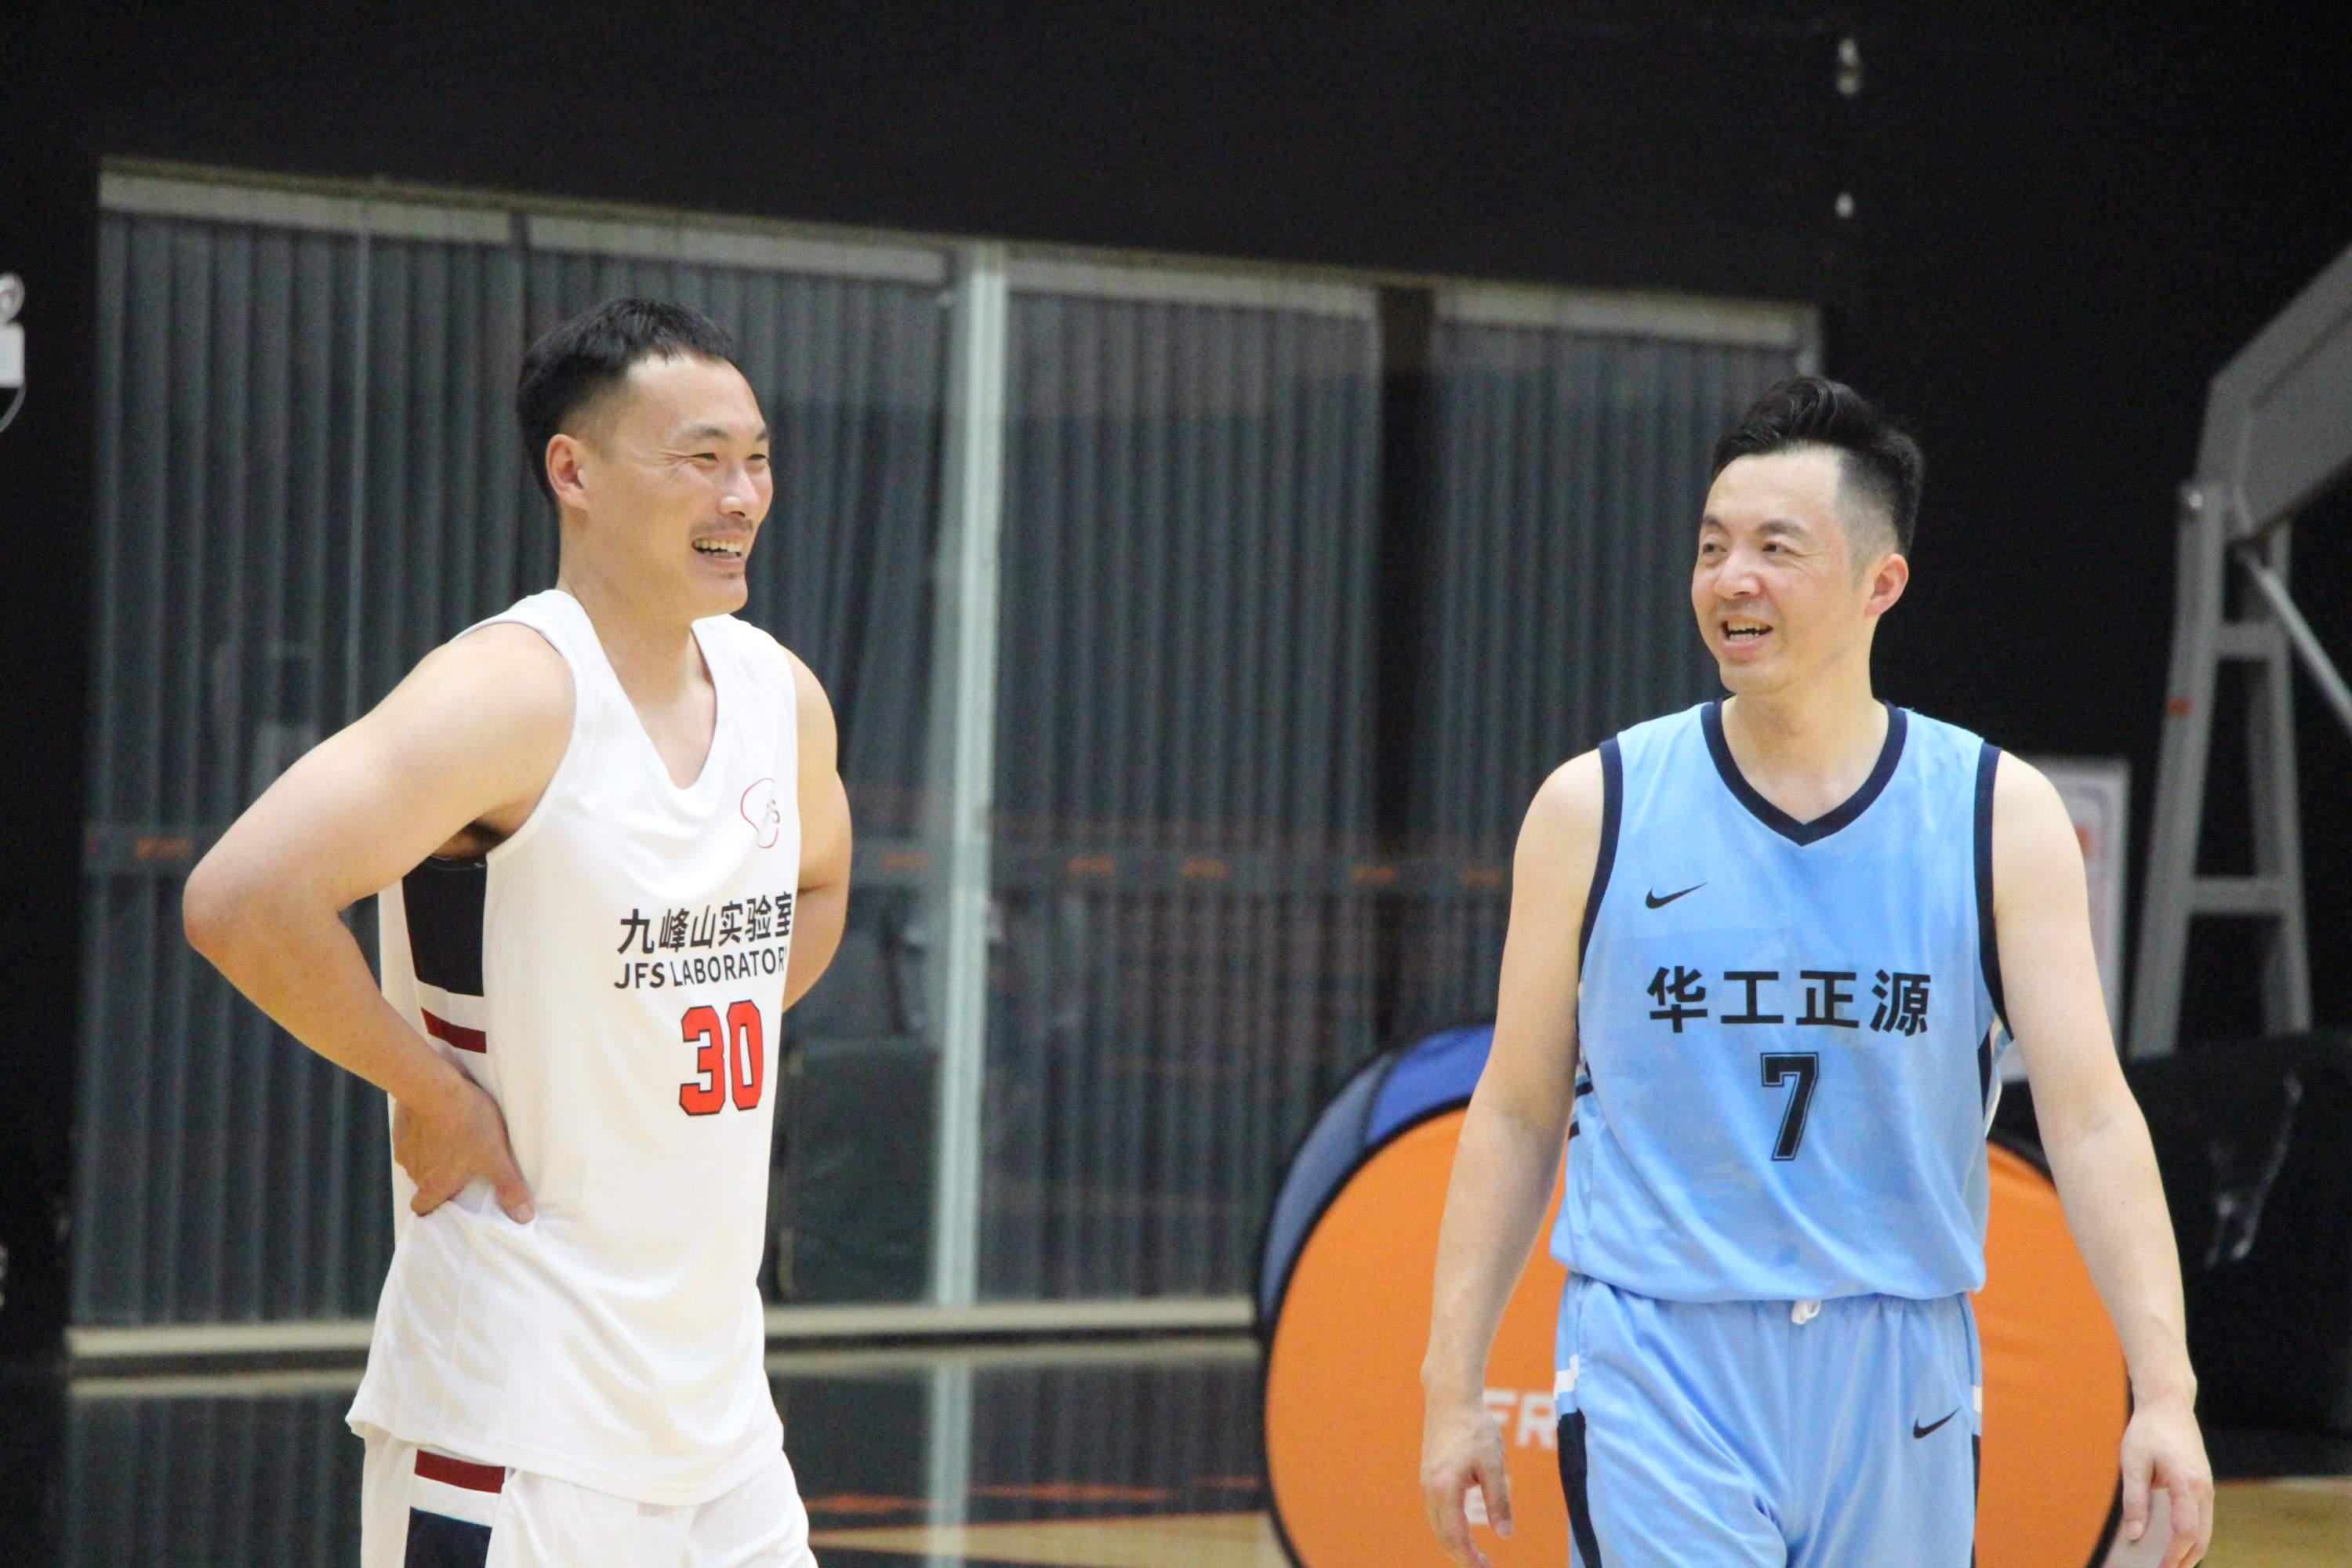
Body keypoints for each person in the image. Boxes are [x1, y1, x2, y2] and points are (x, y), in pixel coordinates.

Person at [1417, 377, 2212, 1568]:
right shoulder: (1594, 807)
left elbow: (2093, 1119)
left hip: (1899, 1367)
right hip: (1658, 1355)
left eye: (1775, 549)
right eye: (1712, 547)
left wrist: (2167, 1392)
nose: (1731, 578)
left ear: (1880, 583)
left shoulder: (1998, 816)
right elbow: (1519, 1109)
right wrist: (1451, 1388)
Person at [184, 299, 851, 1567]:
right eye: (702, 458)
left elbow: (819, 886)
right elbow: (243, 898)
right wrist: (429, 1091)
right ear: (574, 472)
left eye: (758, 458)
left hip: (724, 1436)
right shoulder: (509, 693)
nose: (743, 495)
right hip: (517, 1422)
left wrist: (676, 1021)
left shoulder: (781, 696)